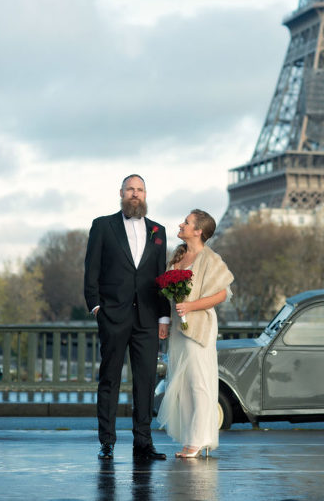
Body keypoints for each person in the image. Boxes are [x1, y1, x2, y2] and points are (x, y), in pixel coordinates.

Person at [84, 174, 170, 461]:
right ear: (121, 193)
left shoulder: (159, 230)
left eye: (140, 190)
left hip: (147, 318)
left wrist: (164, 317)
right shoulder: (102, 226)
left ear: (145, 195)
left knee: (145, 382)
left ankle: (143, 443)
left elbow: (161, 277)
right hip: (113, 315)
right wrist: (96, 307)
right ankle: (107, 442)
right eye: (131, 189)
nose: (135, 194)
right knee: (109, 379)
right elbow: (91, 270)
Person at [158, 209, 234, 458]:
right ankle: (191, 437)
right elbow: (169, 296)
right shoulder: (177, 256)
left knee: (199, 383)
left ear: (198, 231)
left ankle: (200, 439)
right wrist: (168, 319)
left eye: (187, 222)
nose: (181, 224)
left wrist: (191, 306)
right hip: (180, 328)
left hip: (200, 326)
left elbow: (222, 294)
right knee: (183, 384)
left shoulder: (211, 258)